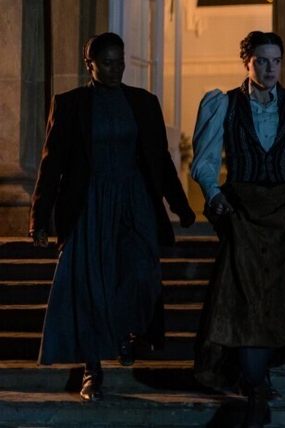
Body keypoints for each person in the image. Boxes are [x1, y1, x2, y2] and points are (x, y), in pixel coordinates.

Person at [29, 32, 195, 402]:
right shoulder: (70, 104)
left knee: (141, 273)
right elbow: (51, 164)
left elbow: (160, 159)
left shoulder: (143, 102)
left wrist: (181, 207)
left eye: (120, 61)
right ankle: (92, 370)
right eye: (107, 62)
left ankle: (126, 331)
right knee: (91, 284)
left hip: (134, 201)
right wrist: (39, 219)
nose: (116, 68)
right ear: (89, 64)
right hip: (89, 205)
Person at [191, 30, 285, 427]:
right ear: (247, 62)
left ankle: (258, 376)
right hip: (243, 211)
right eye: (262, 61)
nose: (270, 68)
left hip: (283, 212)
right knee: (245, 294)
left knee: (276, 292)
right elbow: (205, 160)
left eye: (276, 61)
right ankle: (255, 385)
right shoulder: (224, 104)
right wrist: (214, 194)